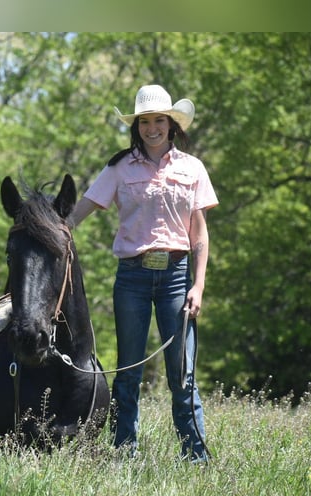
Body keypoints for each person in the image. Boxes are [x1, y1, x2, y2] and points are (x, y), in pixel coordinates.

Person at [70, 84, 218, 461]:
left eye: (159, 121)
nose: (152, 128)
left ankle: (196, 458)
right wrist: (51, 227)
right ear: (136, 127)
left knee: (181, 373)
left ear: (171, 124)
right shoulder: (119, 168)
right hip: (132, 278)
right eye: (145, 122)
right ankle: (124, 455)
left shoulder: (192, 168)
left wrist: (198, 286)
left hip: (177, 276)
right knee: (129, 371)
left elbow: (199, 233)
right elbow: (82, 210)